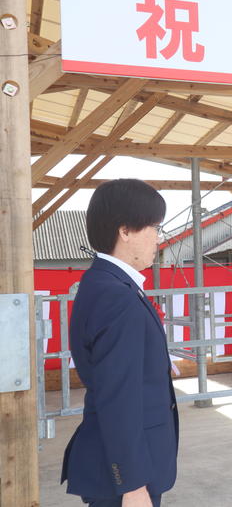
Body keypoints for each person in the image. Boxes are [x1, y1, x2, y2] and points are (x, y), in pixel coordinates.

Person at [61, 179, 179, 507]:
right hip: (128, 475)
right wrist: (132, 483)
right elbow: (119, 396)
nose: (158, 237)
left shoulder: (106, 283)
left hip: (126, 459)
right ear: (124, 230)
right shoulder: (117, 296)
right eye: (154, 227)